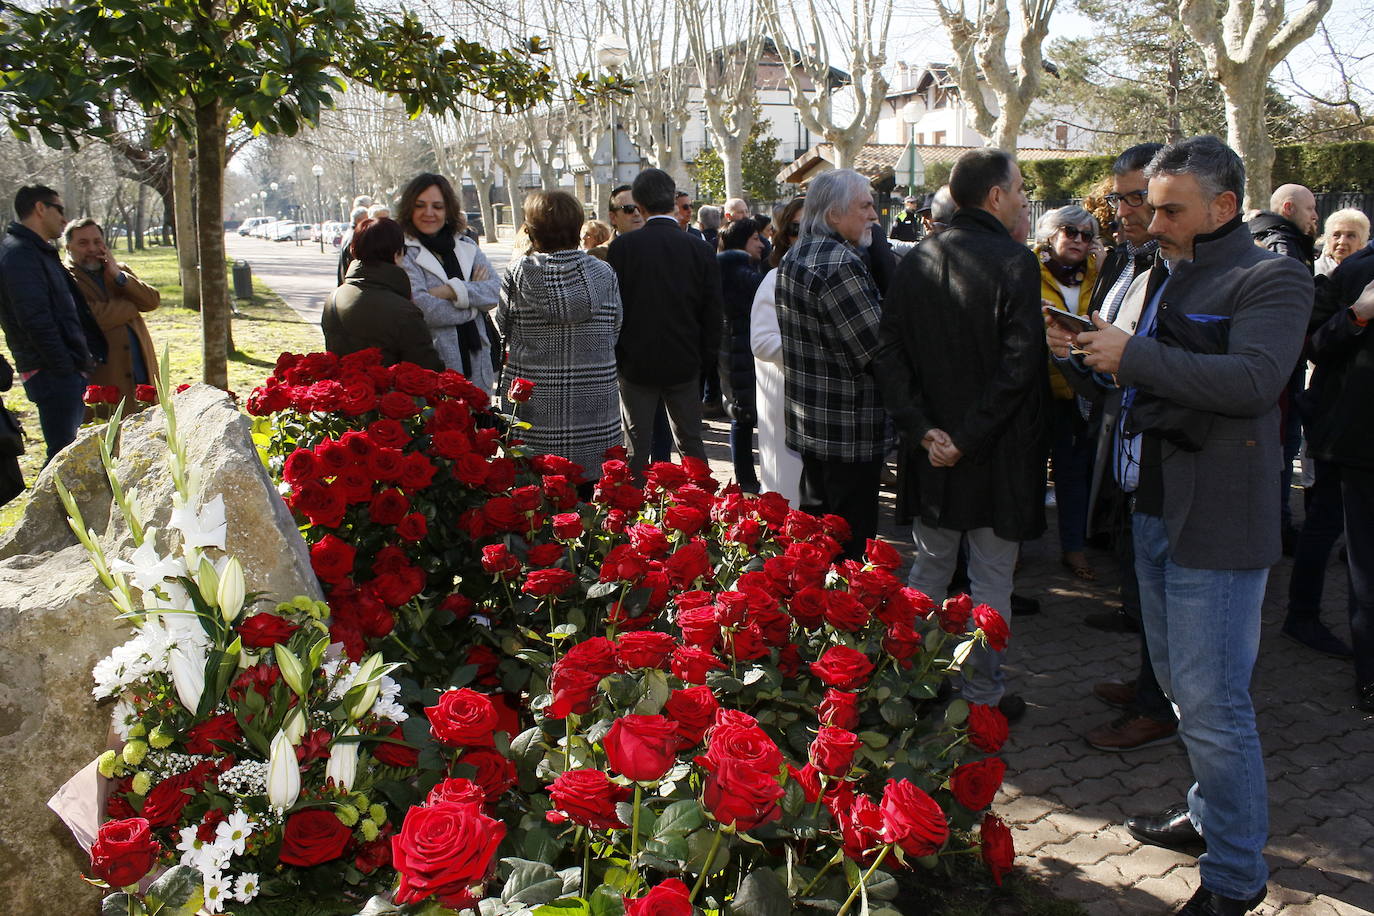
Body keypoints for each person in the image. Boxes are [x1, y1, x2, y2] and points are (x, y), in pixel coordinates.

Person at [1048, 136, 1312, 916]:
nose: (1147, 220)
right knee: (1179, 690)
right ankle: (1205, 815)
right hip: (1151, 510)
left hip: (1218, 525)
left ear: (1223, 207)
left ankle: (1235, 877)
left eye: (1169, 208)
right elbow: (1140, 381)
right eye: (1144, 205)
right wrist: (1086, 352)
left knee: (1215, 702)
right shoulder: (1158, 272)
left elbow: (1253, 381)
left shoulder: (1274, 277)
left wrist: (1132, 357)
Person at [875, 148, 1046, 720]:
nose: (1023, 198)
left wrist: (929, 434)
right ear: (995, 195)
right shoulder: (1015, 262)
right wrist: (955, 438)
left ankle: (915, 688)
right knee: (989, 577)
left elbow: (889, 357)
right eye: (1018, 188)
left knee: (929, 568)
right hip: (990, 453)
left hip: (941, 452)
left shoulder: (916, 258)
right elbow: (1019, 367)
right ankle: (979, 698)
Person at [1062, 142, 1181, 754]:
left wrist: (1119, 355)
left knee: (1167, 610)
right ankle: (1149, 690)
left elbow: (1237, 380)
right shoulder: (1141, 265)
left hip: (1170, 465)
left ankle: (1160, 706)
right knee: (1143, 591)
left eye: (1140, 199)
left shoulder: (1196, 273)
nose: (1132, 213)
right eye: (1123, 200)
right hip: (1130, 457)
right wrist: (1080, 352)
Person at [776, 169, 886, 558]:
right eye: (865, 205)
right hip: (848, 431)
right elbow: (877, 349)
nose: (874, 214)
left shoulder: (796, 254)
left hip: (815, 427)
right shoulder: (838, 262)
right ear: (834, 215)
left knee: (818, 540)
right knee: (848, 548)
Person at [497, 191, 623, 481]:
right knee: (595, 503)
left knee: (535, 499)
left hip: (534, 405)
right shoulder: (605, 272)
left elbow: (504, 327)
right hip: (595, 404)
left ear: (531, 231)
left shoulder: (517, 272)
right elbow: (615, 327)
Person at [607, 168, 722, 477]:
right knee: (691, 445)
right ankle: (699, 510)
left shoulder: (622, 249)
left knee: (636, 447)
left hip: (635, 364)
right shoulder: (699, 249)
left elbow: (613, 311)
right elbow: (712, 313)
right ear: (672, 202)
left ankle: (628, 515)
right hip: (684, 361)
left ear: (639, 206)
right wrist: (704, 361)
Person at [1303, 250, 1374, 713]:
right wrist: (1357, 316)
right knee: (1368, 567)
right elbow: (1311, 343)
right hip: (1363, 446)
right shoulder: (1358, 271)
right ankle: (1370, 677)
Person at [0, 185, 106, 463]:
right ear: (39, 208)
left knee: (66, 453)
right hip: (52, 373)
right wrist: (66, 369)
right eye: (58, 209)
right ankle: (53, 507)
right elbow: (35, 321)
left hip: (63, 371)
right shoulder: (19, 255)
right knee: (63, 457)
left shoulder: (37, 251)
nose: (63, 218)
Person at [1249, 183, 1318, 557]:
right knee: (1279, 452)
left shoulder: (1265, 239)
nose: (1315, 217)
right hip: (1279, 378)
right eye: (1310, 209)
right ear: (1289, 208)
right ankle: (1276, 529)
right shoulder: (1282, 246)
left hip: (1274, 375)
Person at [1035, 206, 1101, 582]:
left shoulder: (1099, 273)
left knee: (1073, 474)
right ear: (1050, 235)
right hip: (1036, 387)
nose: (1077, 240)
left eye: (1086, 235)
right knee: (1029, 476)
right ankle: (1018, 548)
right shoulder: (1029, 269)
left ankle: (1073, 547)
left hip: (1078, 390)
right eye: (1069, 231)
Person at [396, 173, 500, 392]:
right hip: (433, 366)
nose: (429, 213)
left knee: (480, 424)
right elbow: (424, 309)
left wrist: (450, 290)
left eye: (437, 206)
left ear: (448, 210)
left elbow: (493, 292)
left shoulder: (466, 245)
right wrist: (472, 306)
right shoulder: (404, 252)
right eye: (420, 205)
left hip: (478, 363)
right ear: (409, 209)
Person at [63, 218, 160, 412]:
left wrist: (118, 276)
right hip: (106, 383)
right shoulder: (65, 278)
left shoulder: (119, 271)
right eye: (83, 243)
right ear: (68, 247)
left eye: (97, 242)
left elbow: (151, 301)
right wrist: (131, 304)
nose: (92, 248)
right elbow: (91, 318)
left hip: (142, 376)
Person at [321, 217, 442, 370]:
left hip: (345, 390)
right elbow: (428, 370)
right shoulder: (404, 312)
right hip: (391, 392)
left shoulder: (333, 298)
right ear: (397, 253)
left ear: (353, 250)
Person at [749, 197, 806, 506]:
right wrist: (812, 351)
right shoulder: (774, 279)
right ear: (785, 236)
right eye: (797, 228)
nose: (806, 236)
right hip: (784, 407)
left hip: (819, 416)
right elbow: (761, 341)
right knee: (787, 499)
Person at [717, 217, 766, 493]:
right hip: (742, 353)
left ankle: (745, 479)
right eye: (756, 238)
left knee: (741, 415)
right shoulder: (741, 272)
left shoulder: (730, 267)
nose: (762, 243)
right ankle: (746, 480)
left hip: (736, 352)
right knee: (743, 416)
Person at [1314, 208, 1369, 277]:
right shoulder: (1311, 271)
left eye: (1350, 236)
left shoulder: (1368, 274)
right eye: (1336, 235)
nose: (1342, 241)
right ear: (1328, 240)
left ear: (1361, 243)